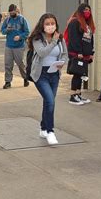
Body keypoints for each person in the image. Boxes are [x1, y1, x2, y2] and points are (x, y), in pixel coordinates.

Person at [28, 13, 68, 145]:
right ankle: (50, 131)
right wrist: (54, 41)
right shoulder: (37, 38)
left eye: (53, 23)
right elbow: (42, 52)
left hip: (54, 72)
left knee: (48, 101)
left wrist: (62, 62)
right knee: (50, 101)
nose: (50, 26)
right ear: (42, 25)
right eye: (47, 24)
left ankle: (43, 127)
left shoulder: (60, 37)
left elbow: (64, 53)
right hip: (41, 74)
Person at [65, 3, 95, 105]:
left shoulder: (87, 24)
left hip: (85, 55)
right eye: (85, 10)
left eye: (89, 10)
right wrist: (79, 52)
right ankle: (73, 97)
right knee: (77, 75)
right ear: (80, 10)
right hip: (77, 53)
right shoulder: (74, 22)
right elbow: (74, 39)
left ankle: (78, 95)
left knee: (81, 75)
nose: (87, 12)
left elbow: (90, 39)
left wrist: (91, 52)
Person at [1, 4, 30, 89]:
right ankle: (8, 82)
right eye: (10, 13)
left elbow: (27, 32)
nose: (11, 14)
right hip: (9, 46)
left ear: (16, 11)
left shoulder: (22, 19)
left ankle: (25, 78)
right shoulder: (7, 20)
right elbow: (2, 31)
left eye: (13, 12)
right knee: (8, 64)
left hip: (19, 46)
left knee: (20, 64)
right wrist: (7, 30)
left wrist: (20, 37)